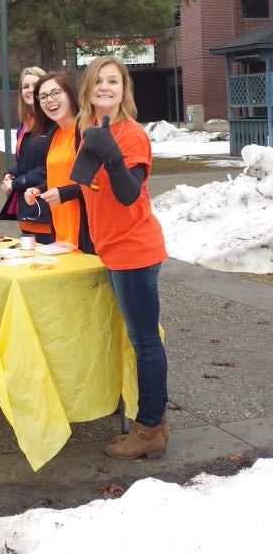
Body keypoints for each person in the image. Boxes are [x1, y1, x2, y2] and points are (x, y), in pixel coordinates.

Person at [72, 56, 169, 460]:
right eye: (99, 81)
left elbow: (129, 192)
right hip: (112, 248)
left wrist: (111, 154)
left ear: (123, 89)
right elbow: (89, 184)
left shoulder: (130, 136)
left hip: (134, 249)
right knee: (140, 338)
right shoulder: (90, 130)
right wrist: (61, 192)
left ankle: (149, 428)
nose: (106, 87)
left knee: (145, 341)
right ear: (88, 89)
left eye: (114, 81)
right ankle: (153, 420)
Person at [23, 72, 87, 248]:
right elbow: (59, 176)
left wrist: (64, 193)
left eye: (55, 93)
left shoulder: (86, 130)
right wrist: (40, 189)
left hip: (86, 235)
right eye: (43, 97)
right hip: (61, 233)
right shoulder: (53, 134)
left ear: (70, 93)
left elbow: (98, 183)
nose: (49, 100)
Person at [0, 65, 54, 244]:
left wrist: (16, 183)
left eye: (35, 85)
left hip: (46, 208)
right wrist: (12, 172)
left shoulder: (54, 121)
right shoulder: (25, 123)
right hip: (26, 210)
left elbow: (50, 167)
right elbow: (27, 160)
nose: (30, 90)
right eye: (25, 86)